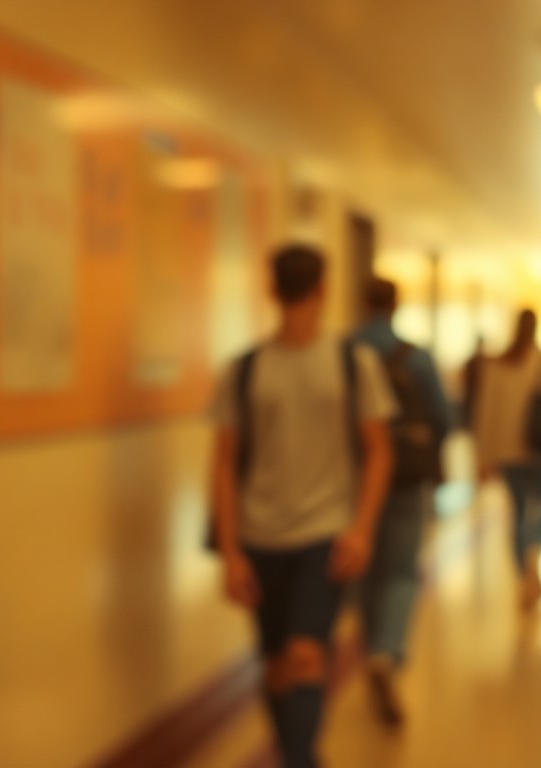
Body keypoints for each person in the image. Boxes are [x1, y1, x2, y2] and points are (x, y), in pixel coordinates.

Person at [210, 243, 396, 768]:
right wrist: (230, 550)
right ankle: (297, 753)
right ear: (322, 289)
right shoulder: (244, 371)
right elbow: (224, 463)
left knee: (306, 653)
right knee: (274, 662)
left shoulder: (352, 363)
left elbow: (379, 450)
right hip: (259, 535)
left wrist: (360, 528)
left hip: (326, 532)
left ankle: (300, 759)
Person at [351, 277, 451, 727]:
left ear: (362, 303)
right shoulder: (417, 357)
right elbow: (443, 417)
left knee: (364, 570)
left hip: (355, 478)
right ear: (395, 306)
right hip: (407, 478)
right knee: (401, 569)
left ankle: (372, 644)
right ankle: (386, 651)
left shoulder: (344, 351)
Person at [472, 309, 541, 609]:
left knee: (517, 511)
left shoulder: (497, 364)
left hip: (507, 453)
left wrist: (483, 456)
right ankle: (534, 555)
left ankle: (522, 573)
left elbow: (484, 412)